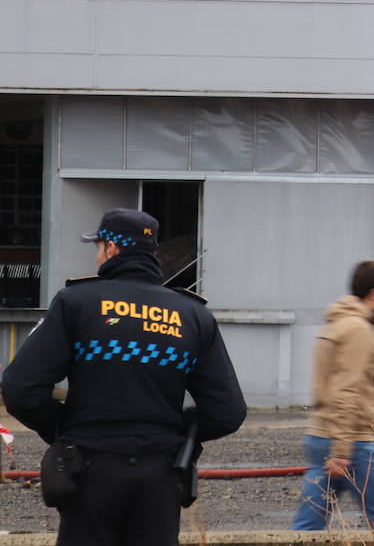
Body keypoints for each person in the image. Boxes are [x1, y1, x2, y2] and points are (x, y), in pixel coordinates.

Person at [1, 207, 246, 546]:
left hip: (88, 469)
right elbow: (227, 412)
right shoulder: (192, 314)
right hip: (161, 475)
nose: (98, 256)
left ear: (112, 249)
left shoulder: (77, 302)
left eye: (98, 247)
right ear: (152, 254)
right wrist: (179, 433)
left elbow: (20, 388)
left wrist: (63, 430)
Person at [291, 260, 374, 531]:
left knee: (309, 525)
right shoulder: (359, 329)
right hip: (355, 441)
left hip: (320, 435)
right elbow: (348, 392)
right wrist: (343, 451)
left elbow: (347, 391)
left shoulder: (334, 325)